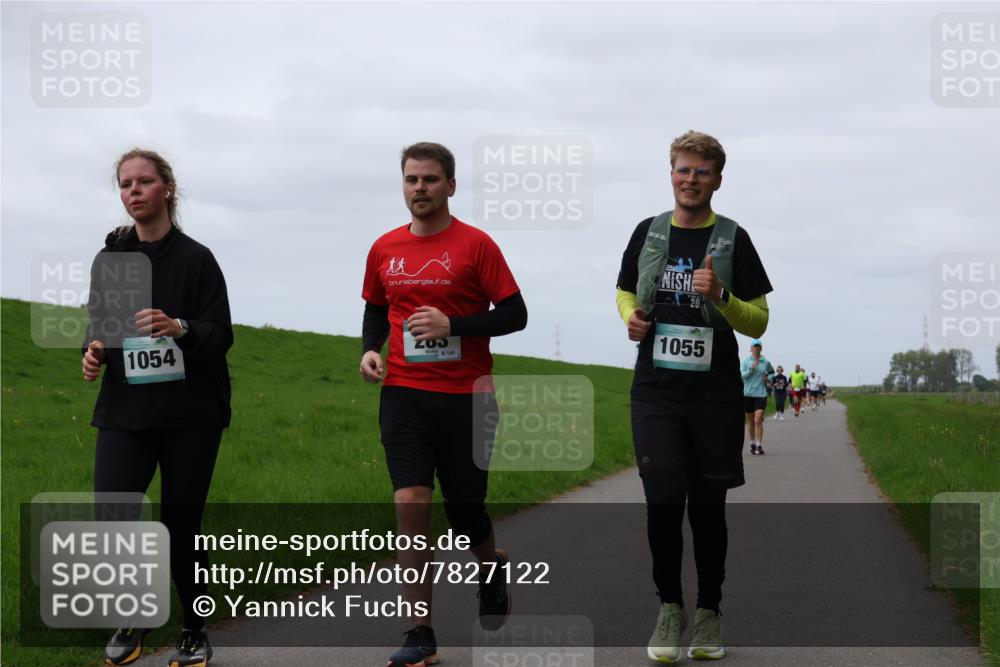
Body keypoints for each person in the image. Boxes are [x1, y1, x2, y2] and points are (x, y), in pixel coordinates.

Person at [359, 142, 527, 667]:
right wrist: (370, 350)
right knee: (410, 503)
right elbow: (375, 308)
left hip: (467, 398)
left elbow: (515, 314)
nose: (420, 189)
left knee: (463, 512)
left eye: (430, 180)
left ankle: (490, 567)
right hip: (404, 394)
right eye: (411, 180)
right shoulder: (384, 248)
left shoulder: (477, 246)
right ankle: (420, 633)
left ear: (450, 186)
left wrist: (454, 324)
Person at [616, 131, 773, 662]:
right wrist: (631, 319)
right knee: (662, 501)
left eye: (702, 172)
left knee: (707, 509)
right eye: (683, 170)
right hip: (656, 392)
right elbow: (622, 291)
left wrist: (722, 296)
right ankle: (669, 607)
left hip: (714, 396)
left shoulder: (734, 238)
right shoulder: (649, 231)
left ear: (717, 180)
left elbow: (760, 320)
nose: (691, 180)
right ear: (671, 173)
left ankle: (708, 612)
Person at [82, 149, 232, 667]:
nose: (134, 191)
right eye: (126, 184)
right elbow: (98, 321)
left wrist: (180, 327)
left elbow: (221, 335)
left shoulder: (197, 259)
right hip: (126, 409)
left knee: (181, 522)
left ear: (168, 187)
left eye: (144, 181)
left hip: (191, 413)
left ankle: (194, 628)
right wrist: (94, 350)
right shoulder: (112, 260)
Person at [741, 340, 774, 455]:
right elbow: (742, 375)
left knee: (758, 419)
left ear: (761, 348)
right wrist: (751, 369)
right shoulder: (746, 361)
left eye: (758, 346)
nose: (756, 348)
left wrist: (768, 378)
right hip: (748, 394)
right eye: (754, 346)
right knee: (750, 421)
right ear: (751, 348)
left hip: (761, 394)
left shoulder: (765, 361)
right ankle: (752, 442)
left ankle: (759, 445)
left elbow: (771, 372)